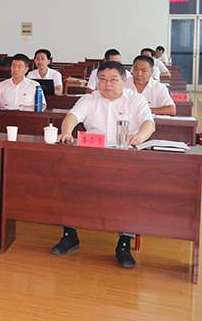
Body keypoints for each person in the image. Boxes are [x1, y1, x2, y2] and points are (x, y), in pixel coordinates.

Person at [54, 61, 155, 269]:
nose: (107, 84)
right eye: (103, 79)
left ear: (124, 81)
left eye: (113, 80)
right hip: (91, 158)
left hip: (124, 160)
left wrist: (139, 137)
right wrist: (66, 132)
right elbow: (72, 117)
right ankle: (70, 235)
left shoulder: (135, 99)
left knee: (130, 192)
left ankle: (124, 243)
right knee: (68, 181)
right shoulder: (89, 99)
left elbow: (149, 123)